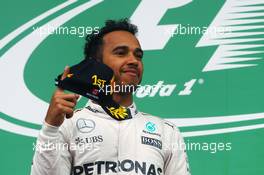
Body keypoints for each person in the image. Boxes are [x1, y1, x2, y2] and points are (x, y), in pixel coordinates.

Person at [31, 19, 190, 175]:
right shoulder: (66, 126)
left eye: (138, 55)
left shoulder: (166, 132)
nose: (134, 61)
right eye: (121, 53)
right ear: (96, 64)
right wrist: (50, 128)